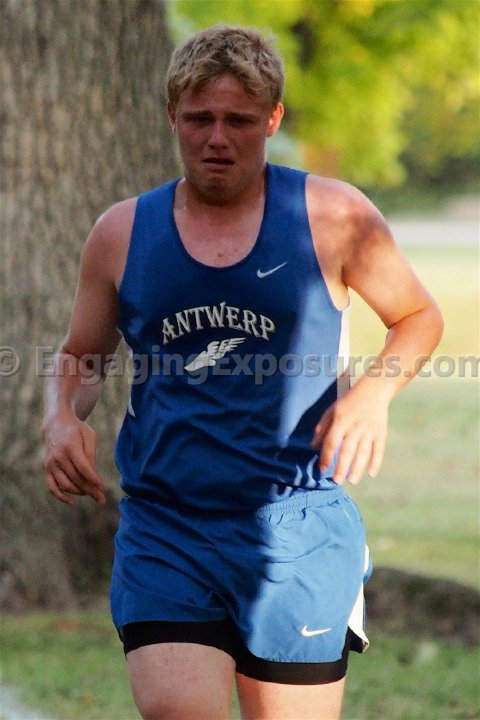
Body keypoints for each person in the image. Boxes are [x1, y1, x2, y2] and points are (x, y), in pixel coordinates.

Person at [43, 24, 443, 720]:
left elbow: (417, 316)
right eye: (199, 119)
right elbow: (82, 355)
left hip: (297, 523)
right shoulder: (122, 233)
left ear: (273, 119)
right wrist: (59, 418)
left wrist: (373, 395)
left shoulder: (335, 215)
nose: (218, 139)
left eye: (240, 121)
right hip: (167, 525)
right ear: (172, 116)